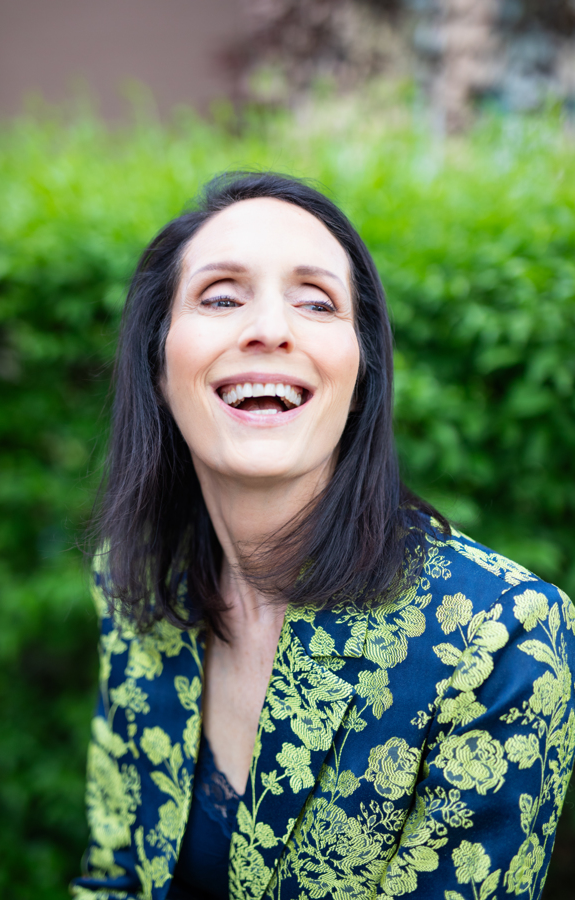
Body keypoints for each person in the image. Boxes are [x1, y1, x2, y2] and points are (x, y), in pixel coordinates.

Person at [71, 172, 575, 900]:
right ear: (157, 363)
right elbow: (115, 873)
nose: (270, 327)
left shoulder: (503, 640)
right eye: (220, 297)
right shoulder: (133, 579)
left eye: (316, 302)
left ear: (361, 373)